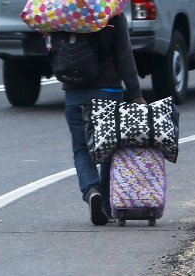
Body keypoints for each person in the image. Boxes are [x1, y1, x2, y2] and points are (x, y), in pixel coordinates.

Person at [60, 13, 146, 226]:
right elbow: (124, 55)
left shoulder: (61, 12)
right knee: (109, 149)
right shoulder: (112, 13)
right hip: (108, 91)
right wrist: (135, 93)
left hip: (74, 91)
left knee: (82, 149)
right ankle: (106, 206)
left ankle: (91, 191)